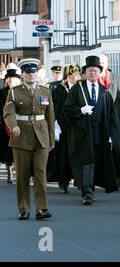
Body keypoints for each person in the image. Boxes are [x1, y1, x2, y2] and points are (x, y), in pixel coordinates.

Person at [64, 55, 120, 205]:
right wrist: (80, 110)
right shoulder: (77, 90)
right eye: (90, 71)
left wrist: (113, 134)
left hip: (100, 134)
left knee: (97, 161)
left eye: (95, 71)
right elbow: (67, 109)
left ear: (99, 73)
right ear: (85, 73)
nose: (93, 74)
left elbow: (112, 115)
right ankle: (87, 192)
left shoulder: (105, 92)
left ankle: (93, 186)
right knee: (87, 161)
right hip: (83, 133)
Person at [3, 58, 55, 220]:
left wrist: (51, 140)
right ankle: (23, 208)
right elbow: (8, 112)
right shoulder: (14, 92)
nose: (31, 75)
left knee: (40, 174)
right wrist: (13, 126)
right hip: (22, 136)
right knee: (23, 175)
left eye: (33, 72)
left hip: (41, 136)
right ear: (22, 75)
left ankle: (42, 208)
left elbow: (50, 117)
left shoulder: (45, 91)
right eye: (27, 73)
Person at [47, 64, 76, 193]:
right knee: (63, 154)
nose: (73, 78)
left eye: (75, 75)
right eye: (71, 75)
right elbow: (55, 107)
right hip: (63, 125)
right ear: (67, 77)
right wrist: (56, 123)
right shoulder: (60, 89)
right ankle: (63, 181)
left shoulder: (80, 89)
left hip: (77, 126)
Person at [0, 66, 22, 184]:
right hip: (5, 124)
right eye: (8, 78)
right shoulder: (2, 92)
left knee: (20, 149)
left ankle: (19, 171)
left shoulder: (21, 91)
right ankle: (10, 172)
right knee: (7, 148)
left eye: (13, 78)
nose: (10, 80)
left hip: (20, 122)